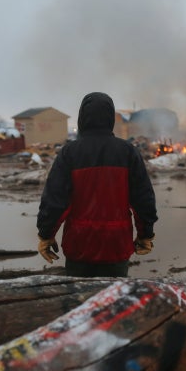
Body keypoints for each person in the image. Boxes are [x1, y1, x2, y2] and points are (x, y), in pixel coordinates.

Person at [36, 92, 157, 277]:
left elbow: (55, 200)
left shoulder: (70, 153)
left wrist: (46, 235)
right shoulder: (127, 152)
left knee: (81, 302)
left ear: (82, 118)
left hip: (79, 246)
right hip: (116, 245)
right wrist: (145, 234)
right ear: (110, 117)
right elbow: (143, 199)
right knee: (113, 301)